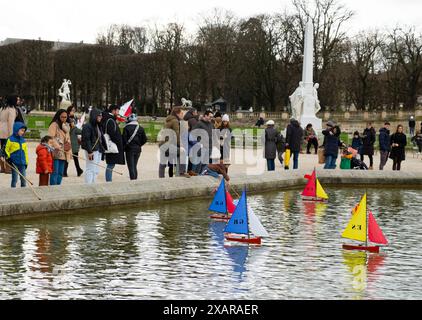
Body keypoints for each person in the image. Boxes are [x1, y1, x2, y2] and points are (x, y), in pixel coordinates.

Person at [158, 107, 190, 178]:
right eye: (181, 113)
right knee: (182, 152)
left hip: (162, 144)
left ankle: (161, 179)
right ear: (177, 113)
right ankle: (181, 172)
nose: (183, 115)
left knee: (162, 163)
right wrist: (180, 145)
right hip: (168, 144)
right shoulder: (175, 121)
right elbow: (176, 134)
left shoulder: (168, 119)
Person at [101, 105, 125, 182]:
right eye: (117, 110)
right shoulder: (110, 120)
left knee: (111, 165)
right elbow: (112, 134)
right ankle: (109, 182)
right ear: (113, 111)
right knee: (110, 165)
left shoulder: (110, 119)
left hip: (111, 144)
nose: (118, 112)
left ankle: (109, 181)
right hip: (112, 145)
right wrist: (119, 142)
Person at [48, 109, 72, 186]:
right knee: (55, 172)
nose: (64, 119)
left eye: (65, 117)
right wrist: (57, 146)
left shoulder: (67, 126)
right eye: (62, 117)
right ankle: (53, 189)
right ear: (58, 116)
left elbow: (68, 139)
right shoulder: (54, 125)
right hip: (56, 151)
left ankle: (58, 187)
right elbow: (50, 138)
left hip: (64, 152)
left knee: (61, 173)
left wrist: (69, 148)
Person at [2, 122, 28, 188]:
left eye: (24, 131)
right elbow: (5, 150)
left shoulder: (23, 140)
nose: (23, 132)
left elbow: (25, 152)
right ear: (16, 129)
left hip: (22, 163)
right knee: (15, 179)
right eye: (21, 130)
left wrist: (26, 162)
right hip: (14, 163)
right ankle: (13, 190)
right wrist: (8, 158)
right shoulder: (10, 139)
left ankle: (23, 189)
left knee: (23, 178)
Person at [122, 114, 147, 180]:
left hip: (129, 149)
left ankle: (133, 181)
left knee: (131, 166)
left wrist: (124, 147)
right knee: (134, 166)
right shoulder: (141, 128)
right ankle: (135, 180)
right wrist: (139, 145)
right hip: (138, 149)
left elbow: (124, 140)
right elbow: (145, 139)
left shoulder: (126, 128)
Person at [63, 105, 83, 177]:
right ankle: (65, 172)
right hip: (71, 140)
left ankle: (78, 170)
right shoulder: (69, 120)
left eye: (74, 110)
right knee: (69, 157)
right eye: (72, 110)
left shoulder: (73, 119)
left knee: (73, 157)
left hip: (73, 140)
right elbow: (73, 130)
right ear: (69, 111)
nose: (73, 112)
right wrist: (81, 130)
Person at [192, 110, 214, 174]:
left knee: (205, 164)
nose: (211, 118)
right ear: (205, 116)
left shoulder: (211, 124)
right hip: (201, 147)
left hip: (209, 147)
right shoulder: (199, 123)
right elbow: (193, 134)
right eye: (210, 116)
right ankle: (195, 177)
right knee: (198, 164)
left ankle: (202, 177)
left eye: (212, 117)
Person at [0, 96, 17, 173]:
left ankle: (2, 168)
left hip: (1, 130)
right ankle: (7, 168)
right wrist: (11, 134)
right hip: (7, 131)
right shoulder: (11, 109)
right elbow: (11, 122)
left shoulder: (2, 108)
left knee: (2, 149)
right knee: (7, 150)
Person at [183, 108, 199, 175]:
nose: (197, 113)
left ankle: (187, 170)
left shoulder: (187, 118)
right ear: (193, 112)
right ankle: (190, 171)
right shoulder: (193, 120)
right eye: (196, 112)